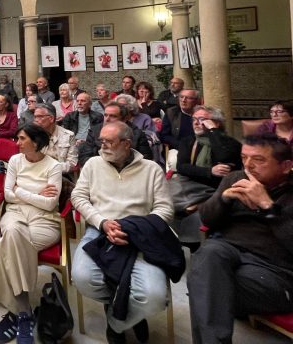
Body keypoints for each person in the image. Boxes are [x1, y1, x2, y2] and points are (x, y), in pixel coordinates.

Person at [71, 121, 175, 344]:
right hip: (100, 230)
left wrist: (136, 228)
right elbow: (78, 197)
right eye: (101, 140)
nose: (102, 145)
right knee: (82, 278)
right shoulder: (93, 165)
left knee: (155, 297)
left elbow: (165, 209)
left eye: (109, 141)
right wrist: (102, 222)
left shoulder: (151, 169)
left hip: (141, 235)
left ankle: (118, 320)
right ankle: (125, 307)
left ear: (127, 144)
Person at [187, 134, 293, 344]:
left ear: (286, 166)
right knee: (209, 253)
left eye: (258, 160)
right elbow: (207, 218)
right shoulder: (235, 178)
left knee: (203, 283)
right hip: (228, 252)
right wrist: (223, 199)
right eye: (244, 158)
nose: (248, 165)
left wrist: (268, 206)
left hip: (274, 271)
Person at [0, 123, 63, 344]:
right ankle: (24, 312)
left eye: (21, 139)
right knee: (12, 237)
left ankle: (17, 313)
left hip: (44, 220)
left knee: (5, 246)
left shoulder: (54, 166)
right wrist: (37, 192)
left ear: (35, 142)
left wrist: (19, 190)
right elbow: (7, 195)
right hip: (15, 214)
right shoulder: (15, 161)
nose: (16, 143)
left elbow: (50, 204)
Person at [170, 106, 241, 245]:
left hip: (216, 189)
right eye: (194, 119)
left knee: (196, 214)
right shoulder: (188, 141)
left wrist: (213, 131)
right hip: (190, 185)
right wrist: (210, 171)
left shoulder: (230, 143)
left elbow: (224, 157)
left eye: (202, 119)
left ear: (216, 123)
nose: (196, 123)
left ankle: (192, 242)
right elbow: (182, 167)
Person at [79, 102, 153, 167]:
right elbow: (85, 158)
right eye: (105, 115)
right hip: (100, 169)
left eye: (112, 116)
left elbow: (145, 158)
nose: (107, 119)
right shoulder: (94, 131)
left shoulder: (137, 134)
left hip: (128, 170)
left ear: (124, 119)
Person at [32, 104, 77, 174]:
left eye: (40, 117)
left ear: (51, 118)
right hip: (38, 175)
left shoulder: (68, 135)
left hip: (62, 176)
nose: (36, 120)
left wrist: (51, 169)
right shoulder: (33, 136)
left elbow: (72, 164)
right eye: (35, 117)